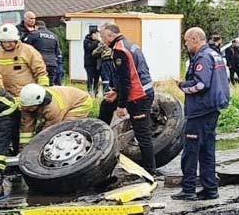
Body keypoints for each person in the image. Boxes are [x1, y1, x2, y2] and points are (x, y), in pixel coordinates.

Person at [175, 27, 229, 201]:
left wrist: (182, 85)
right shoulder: (215, 55)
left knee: (191, 152)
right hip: (212, 109)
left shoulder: (203, 57)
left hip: (199, 111)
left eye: (186, 40)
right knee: (207, 151)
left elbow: (200, 85)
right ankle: (210, 188)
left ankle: (188, 189)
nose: (185, 44)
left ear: (195, 38)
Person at [99, 21, 159, 175]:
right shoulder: (130, 45)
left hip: (138, 96)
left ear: (111, 35)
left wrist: (121, 105)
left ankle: (150, 171)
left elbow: (126, 80)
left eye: (103, 36)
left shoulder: (120, 50)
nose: (101, 40)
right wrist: (115, 91)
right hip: (141, 91)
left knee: (142, 134)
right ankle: (99, 141)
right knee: (105, 105)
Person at [17, 83, 94, 144]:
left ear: (39, 102)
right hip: (66, 100)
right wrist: (23, 149)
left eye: (31, 107)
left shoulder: (53, 109)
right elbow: (26, 127)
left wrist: (36, 147)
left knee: (64, 127)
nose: (28, 110)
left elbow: (49, 130)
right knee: (39, 130)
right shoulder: (27, 104)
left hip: (81, 102)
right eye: (26, 107)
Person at [0, 23, 48, 97]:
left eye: (10, 42)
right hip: (8, 96)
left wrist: (43, 90)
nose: (7, 45)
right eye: (4, 42)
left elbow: (40, 72)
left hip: (28, 94)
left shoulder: (28, 50)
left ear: (16, 40)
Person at [20, 11, 64, 86]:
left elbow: (25, 48)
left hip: (40, 64)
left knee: (38, 85)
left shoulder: (33, 34)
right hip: (52, 64)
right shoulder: (54, 36)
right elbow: (57, 52)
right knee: (50, 85)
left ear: (36, 27)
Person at [82, 26, 103, 95]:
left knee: (97, 78)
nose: (97, 36)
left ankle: (95, 92)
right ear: (92, 34)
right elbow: (89, 48)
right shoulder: (86, 40)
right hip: (89, 63)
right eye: (96, 34)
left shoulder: (98, 42)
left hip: (97, 63)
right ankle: (89, 91)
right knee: (90, 78)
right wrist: (97, 41)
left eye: (98, 35)